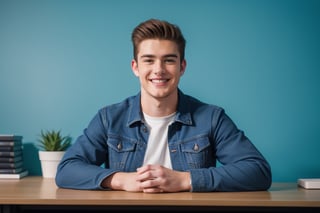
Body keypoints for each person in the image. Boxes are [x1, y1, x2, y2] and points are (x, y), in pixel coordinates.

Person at [55, 18, 272, 193]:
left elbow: (258, 171)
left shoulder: (211, 118)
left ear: (182, 67)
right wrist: (121, 180)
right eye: (149, 60)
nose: (159, 70)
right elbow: (66, 170)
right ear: (135, 67)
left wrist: (186, 180)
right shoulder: (109, 118)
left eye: (169, 60)